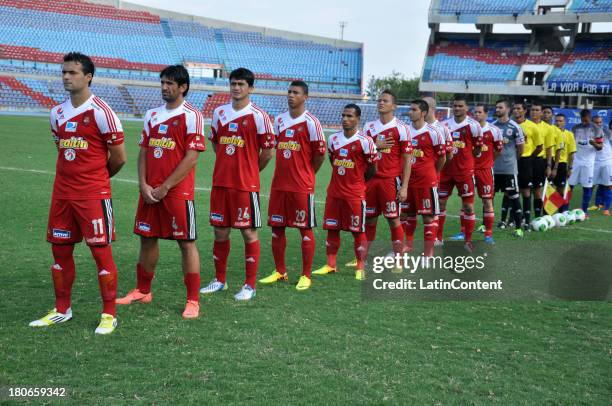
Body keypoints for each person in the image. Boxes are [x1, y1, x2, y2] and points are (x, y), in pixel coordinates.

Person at [30, 52, 127, 334]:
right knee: (60, 252)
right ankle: (62, 310)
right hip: (62, 195)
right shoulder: (56, 112)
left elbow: (119, 157)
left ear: (88, 77)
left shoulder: (102, 112)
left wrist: (96, 179)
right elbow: (62, 149)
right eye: (64, 72)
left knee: (101, 254)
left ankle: (109, 314)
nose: (66, 77)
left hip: (93, 196)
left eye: (72, 73)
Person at [115, 65, 206, 318]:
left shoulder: (192, 116)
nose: (165, 88)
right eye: (162, 83)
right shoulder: (152, 114)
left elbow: (191, 158)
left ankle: (193, 301)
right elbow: (144, 151)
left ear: (183, 87)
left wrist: (166, 187)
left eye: (170, 84)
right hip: (149, 192)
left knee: (186, 243)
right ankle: (143, 290)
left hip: (177, 193)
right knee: (147, 238)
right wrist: (143, 184)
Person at [200, 68, 275, 301]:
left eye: (241, 84)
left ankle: (249, 285)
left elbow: (268, 152)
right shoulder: (220, 112)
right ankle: (219, 280)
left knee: (248, 232)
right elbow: (216, 144)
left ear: (250, 88)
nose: (236, 88)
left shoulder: (259, 116)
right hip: (221, 182)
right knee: (220, 231)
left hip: (245, 185)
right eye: (233, 83)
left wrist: (251, 170)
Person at [259, 81, 326, 291]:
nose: (290, 95)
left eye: (295, 92)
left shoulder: (312, 123)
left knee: (304, 229)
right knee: (277, 228)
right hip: (279, 185)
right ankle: (280, 271)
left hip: (301, 186)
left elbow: (320, 155)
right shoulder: (279, 120)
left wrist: (308, 174)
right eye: (289, 92)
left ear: (305, 97)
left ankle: (306, 275)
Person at [312, 104, 378, 281]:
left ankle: (360, 266)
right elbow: (333, 161)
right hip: (334, 192)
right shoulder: (333, 139)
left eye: (349, 116)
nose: (345, 119)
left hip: (354, 194)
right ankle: (330, 264)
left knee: (358, 230)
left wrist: (358, 182)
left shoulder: (366, 141)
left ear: (358, 119)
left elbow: (372, 169)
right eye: (343, 115)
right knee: (332, 228)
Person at [352, 90, 411, 266]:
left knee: (393, 219)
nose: (381, 103)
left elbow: (408, 159)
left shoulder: (402, 128)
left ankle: (399, 258)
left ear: (394, 106)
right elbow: (361, 153)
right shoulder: (369, 127)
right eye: (379, 100)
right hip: (370, 181)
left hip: (390, 181)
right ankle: (364, 259)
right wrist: (374, 145)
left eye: (385, 101)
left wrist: (405, 186)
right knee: (369, 219)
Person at [402, 99, 446, 256]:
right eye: (410, 109)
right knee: (406, 214)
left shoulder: (434, 132)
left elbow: (442, 158)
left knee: (428, 217)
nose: (410, 112)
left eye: (414, 109)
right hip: (407, 181)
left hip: (426, 182)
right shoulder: (405, 131)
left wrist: (432, 173)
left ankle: (428, 253)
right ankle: (407, 246)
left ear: (424, 113)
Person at [438, 94, 482, 251]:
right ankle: (438, 238)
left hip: (464, 172)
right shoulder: (444, 125)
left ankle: (468, 241)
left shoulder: (474, 126)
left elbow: (477, 149)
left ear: (466, 108)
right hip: (445, 172)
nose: (457, 108)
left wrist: (466, 158)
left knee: (468, 207)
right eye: (455, 106)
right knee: (441, 204)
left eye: (460, 106)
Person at [471, 104, 503, 244]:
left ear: (486, 114)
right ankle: (463, 231)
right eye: (475, 112)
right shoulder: (469, 129)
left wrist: (488, 161)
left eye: (479, 112)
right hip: (469, 169)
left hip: (485, 170)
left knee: (487, 201)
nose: (476, 114)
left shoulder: (494, 130)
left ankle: (488, 234)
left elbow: (498, 150)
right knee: (467, 202)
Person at [492, 100, 525, 236]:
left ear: (507, 109)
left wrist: (510, 161)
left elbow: (520, 149)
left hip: (509, 170)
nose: (498, 109)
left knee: (514, 198)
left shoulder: (515, 127)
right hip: (493, 169)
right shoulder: (492, 126)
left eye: (500, 107)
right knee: (488, 198)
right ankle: (484, 226)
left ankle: (518, 229)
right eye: (496, 107)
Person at [568, 109, 604, 217]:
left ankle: (584, 211)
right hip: (575, 161)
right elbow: (571, 144)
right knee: (570, 185)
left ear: (590, 117)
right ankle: (564, 210)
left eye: (586, 120)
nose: (584, 122)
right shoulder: (575, 128)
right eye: (582, 120)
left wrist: (593, 143)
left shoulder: (597, 129)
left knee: (587, 187)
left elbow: (600, 147)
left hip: (589, 162)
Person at [513, 101, 542, 229]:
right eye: (514, 109)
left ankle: (527, 220)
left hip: (526, 162)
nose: (516, 111)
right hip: (511, 162)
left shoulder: (532, 126)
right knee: (512, 191)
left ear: (525, 111)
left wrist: (530, 156)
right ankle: (513, 219)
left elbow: (539, 147)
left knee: (526, 191)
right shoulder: (510, 125)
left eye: (519, 108)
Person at [529, 102, 556, 218]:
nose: (534, 112)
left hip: (540, 161)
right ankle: (516, 218)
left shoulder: (548, 128)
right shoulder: (524, 124)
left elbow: (549, 148)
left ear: (541, 113)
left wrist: (549, 166)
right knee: (522, 190)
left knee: (537, 190)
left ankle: (538, 216)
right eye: (532, 110)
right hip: (525, 160)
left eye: (537, 110)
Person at [552, 113, 576, 212]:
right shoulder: (551, 131)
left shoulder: (569, 134)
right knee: (549, 189)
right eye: (556, 121)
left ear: (565, 122)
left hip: (562, 164)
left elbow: (571, 153)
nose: (558, 123)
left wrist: (570, 168)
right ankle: (548, 212)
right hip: (550, 162)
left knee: (560, 189)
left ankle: (560, 212)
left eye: (560, 121)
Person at [592, 115, 612, 215]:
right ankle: (596, 204)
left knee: (609, 185)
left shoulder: (607, 131)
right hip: (595, 162)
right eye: (596, 122)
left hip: (607, 162)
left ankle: (606, 209)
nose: (599, 124)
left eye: (600, 122)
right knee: (591, 185)